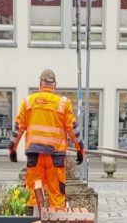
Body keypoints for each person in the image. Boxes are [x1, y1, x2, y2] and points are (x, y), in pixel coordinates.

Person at [11, 69, 84, 209]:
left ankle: (34, 220)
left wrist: (12, 150)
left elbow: (18, 128)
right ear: (54, 85)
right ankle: (56, 220)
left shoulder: (28, 102)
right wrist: (80, 149)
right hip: (55, 157)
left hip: (34, 156)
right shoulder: (63, 103)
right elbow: (73, 129)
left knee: (34, 193)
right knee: (57, 194)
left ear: (40, 83)